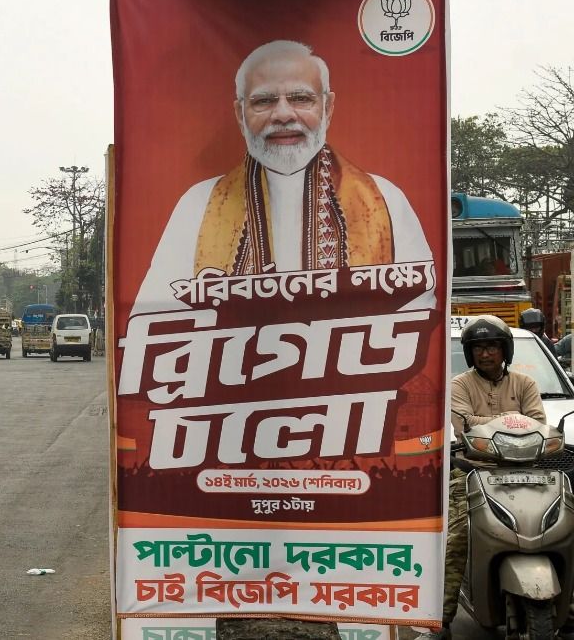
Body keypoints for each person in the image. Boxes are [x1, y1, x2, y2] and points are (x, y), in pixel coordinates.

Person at [133, 39, 432, 314]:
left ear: (327, 108)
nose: (283, 114)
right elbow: (155, 315)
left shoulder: (383, 199)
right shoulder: (199, 204)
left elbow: (419, 308)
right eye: (263, 101)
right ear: (240, 114)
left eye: (301, 98)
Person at [422, 315, 546, 639]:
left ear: (504, 350)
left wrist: (489, 422)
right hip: (471, 470)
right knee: (457, 537)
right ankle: (442, 619)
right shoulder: (459, 385)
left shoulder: (526, 384)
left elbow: (539, 424)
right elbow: (464, 427)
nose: (485, 354)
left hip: (527, 471)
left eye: (491, 346)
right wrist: (513, 418)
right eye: (478, 348)